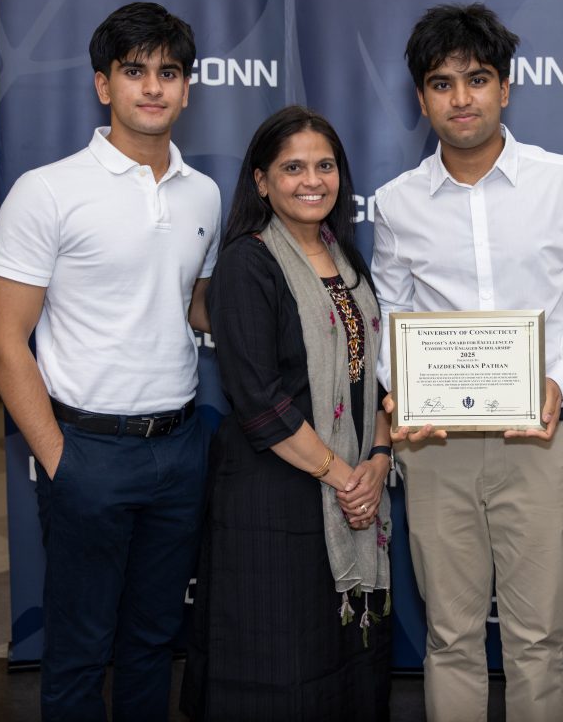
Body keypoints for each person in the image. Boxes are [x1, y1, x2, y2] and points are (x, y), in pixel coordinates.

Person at [371, 3, 563, 722]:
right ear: (421, 98)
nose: (461, 98)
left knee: (539, 639)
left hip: (540, 438)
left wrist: (559, 381)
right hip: (437, 445)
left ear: (506, 88)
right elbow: (388, 316)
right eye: (442, 84)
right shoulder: (397, 204)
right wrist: (403, 392)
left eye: (477, 79)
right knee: (449, 637)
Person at [0, 2, 220, 721]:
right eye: (134, 70)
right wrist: (59, 459)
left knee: (153, 639)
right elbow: (2, 339)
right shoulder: (48, 191)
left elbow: (193, 306)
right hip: (86, 450)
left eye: (168, 72)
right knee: (82, 649)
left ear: (187, 88)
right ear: (102, 85)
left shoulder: (203, 192)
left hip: (179, 449)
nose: (153, 86)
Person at [180, 106, 393, 721]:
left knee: (340, 659)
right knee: (277, 667)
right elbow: (258, 399)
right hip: (271, 499)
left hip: (350, 489)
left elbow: (371, 375)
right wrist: (343, 477)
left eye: (324, 165)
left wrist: (377, 461)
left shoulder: (346, 258)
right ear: (262, 181)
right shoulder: (248, 263)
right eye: (292, 167)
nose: (311, 180)